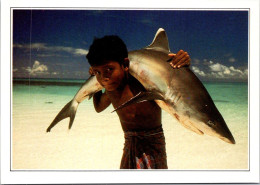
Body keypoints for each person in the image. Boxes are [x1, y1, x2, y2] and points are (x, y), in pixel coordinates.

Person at [86, 35, 190, 169]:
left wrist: (181, 63)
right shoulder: (110, 90)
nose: (104, 78)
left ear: (125, 65)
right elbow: (99, 107)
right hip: (129, 142)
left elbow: (170, 80)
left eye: (109, 70)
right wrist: (96, 84)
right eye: (98, 72)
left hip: (153, 142)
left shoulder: (142, 82)